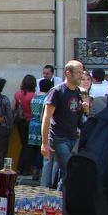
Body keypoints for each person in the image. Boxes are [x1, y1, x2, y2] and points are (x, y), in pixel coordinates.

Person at [40, 60, 88, 191]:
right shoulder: (57, 91)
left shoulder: (78, 92)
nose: (81, 76)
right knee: (68, 171)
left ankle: (60, 202)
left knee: (65, 174)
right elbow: (46, 117)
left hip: (73, 137)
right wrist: (44, 143)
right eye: (78, 73)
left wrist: (85, 110)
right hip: (58, 138)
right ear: (68, 73)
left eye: (82, 73)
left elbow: (79, 118)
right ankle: (63, 203)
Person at [27, 79, 51, 183]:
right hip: (41, 125)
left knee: (34, 149)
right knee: (41, 149)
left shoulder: (34, 98)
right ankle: (39, 170)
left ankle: (33, 169)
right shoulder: (47, 99)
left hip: (32, 124)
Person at [13, 74, 37, 175]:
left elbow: (13, 107)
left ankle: (19, 167)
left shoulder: (17, 94)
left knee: (24, 145)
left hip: (20, 122)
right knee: (29, 146)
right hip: (30, 122)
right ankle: (26, 168)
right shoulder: (33, 96)